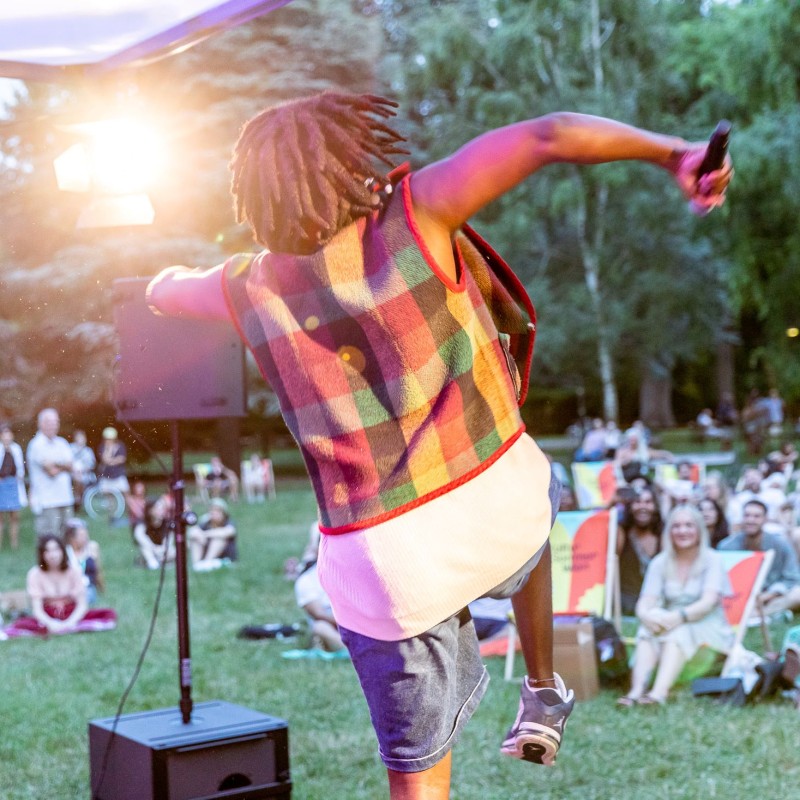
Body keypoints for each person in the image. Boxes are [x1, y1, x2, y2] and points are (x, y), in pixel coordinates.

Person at [146, 92, 731, 795]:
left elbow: (166, 289)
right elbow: (548, 135)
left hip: (385, 564)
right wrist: (674, 154)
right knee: (532, 488)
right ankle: (542, 687)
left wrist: (162, 282)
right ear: (350, 162)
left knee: (416, 775)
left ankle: (505, 710)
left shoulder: (246, 286)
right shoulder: (416, 214)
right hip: (496, 507)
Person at [617, 504, 734, 706]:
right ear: (669, 531)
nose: (682, 531)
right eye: (676, 526)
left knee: (678, 632)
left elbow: (708, 603)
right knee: (648, 628)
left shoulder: (712, 559)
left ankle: (658, 693)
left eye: (689, 525)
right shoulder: (660, 562)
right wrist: (647, 617)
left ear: (699, 530)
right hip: (670, 620)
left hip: (707, 623)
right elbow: (645, 601)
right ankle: (636, 691)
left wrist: (677, 618)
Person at [2, 534, 116, 638]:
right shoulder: (35, 574)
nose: (53, 555)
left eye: (56, 550)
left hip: (70, 611)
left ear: (62, 551)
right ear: (42, 554)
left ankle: (71, 626)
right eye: (47, 551)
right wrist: (51, 623)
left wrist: (69, 623)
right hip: (48, 613)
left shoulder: (74, 570)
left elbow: (82, 604)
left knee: (108, 614)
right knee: (22, 624)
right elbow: (37, 609)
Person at [718, 499, 800, 622]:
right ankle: (765, 615)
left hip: (770, 596)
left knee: (797, 594)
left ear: (765, 519)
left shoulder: (780, 544)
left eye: (756, 516)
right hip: (737, 597)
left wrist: (769, 595)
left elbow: (792, 577)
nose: (751, 520)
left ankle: (757, 615)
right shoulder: (726, 546)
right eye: (747, 515)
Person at [25, 408, 74, 538]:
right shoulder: (36, 445)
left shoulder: (62, 443)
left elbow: (71, 465)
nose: (53, 425)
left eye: (56, 422)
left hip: (65, 498)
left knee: (68, 538)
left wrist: (56, 464)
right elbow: (51, 471)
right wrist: (63, 465)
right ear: (40, 423)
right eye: (49, 422)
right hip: (47, 501)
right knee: (50, 540)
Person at [617, 486, 664, 615]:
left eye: (648, 502)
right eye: (637, 502)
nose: (643, 506)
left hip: (657, 600)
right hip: (626, 600)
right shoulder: (621, 532)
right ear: (630, 507)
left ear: (655, 506)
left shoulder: (663, 534)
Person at [188, 497, 237, 571]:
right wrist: (200, 536)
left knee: (218, 538)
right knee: (195, 539)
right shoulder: (206, 522)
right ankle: (197, 565)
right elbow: (192, 531)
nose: (214, 513)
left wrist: (205, 534)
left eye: (217, 511)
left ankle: (206, 563)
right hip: (205, 551)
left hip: (225, 556)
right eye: (212, 510)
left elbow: (230, 531)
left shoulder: (228, 522)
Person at [63, 517, 104, 604]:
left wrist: (101, 588)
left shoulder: (91, 548)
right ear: (71, 538)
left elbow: (98, 571)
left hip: (88, 587)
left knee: (86, 596)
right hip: (70, 588)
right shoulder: (66, 552)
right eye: (82, 536)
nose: (86, 538)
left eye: (86, 535)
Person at [133, 493, 176, 570]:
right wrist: (155, 549)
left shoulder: (168, 524)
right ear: (150, 511)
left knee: (174, 551)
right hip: (150, 551)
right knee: (145, 549)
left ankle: (160, 562)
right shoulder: (142, 525)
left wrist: (161, 550)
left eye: (162, 507)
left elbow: (168, 542)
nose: (162, 510)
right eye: (159, 508)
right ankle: (153, 562)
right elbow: (143, 541)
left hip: (163, 551)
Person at [0, 424, 26, 550]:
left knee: (14, 516)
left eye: (8, 434)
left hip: (13, 484)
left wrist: (19, 477)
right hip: (1, 484)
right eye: (4, 434)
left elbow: (20, 468)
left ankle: (14, 544)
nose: (6, 437)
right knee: (0, 516)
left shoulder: (16, 449)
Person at [96, 426, 130, 499]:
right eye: (107, 439)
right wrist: (109, 449)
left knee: (126, 493)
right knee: (108, 496)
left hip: (118, 475)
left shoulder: (120, 445)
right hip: (106, 476)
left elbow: (122, 459)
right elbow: (104, 459)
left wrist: (110, 461)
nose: (108, 441)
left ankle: (130, 506)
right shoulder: (102, 447)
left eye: (110, 439)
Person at [69, 429, 96, 509]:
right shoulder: (70, 448)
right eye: (79, 437)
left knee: (81, 479)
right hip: (71, 473)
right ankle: (76, 498)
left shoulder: (88, 451)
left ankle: (78, 499)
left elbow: (92, 465)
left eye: (82, 437)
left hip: (85, 473)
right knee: (77, 478)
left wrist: (83, 470)